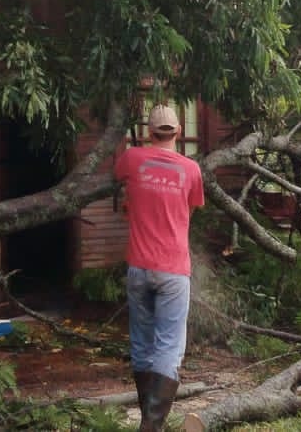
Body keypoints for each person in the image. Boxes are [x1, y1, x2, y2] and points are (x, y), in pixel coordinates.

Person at [115, 103, 205, 432]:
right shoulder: (191, 169)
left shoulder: (131, 158)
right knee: (168, 346)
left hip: (138, 267)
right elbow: (189, 210)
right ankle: (151, 427)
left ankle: (149, 422)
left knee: (141, 342)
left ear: (147, 132)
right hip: (173, 269)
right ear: (178, 133)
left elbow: (120, 182)